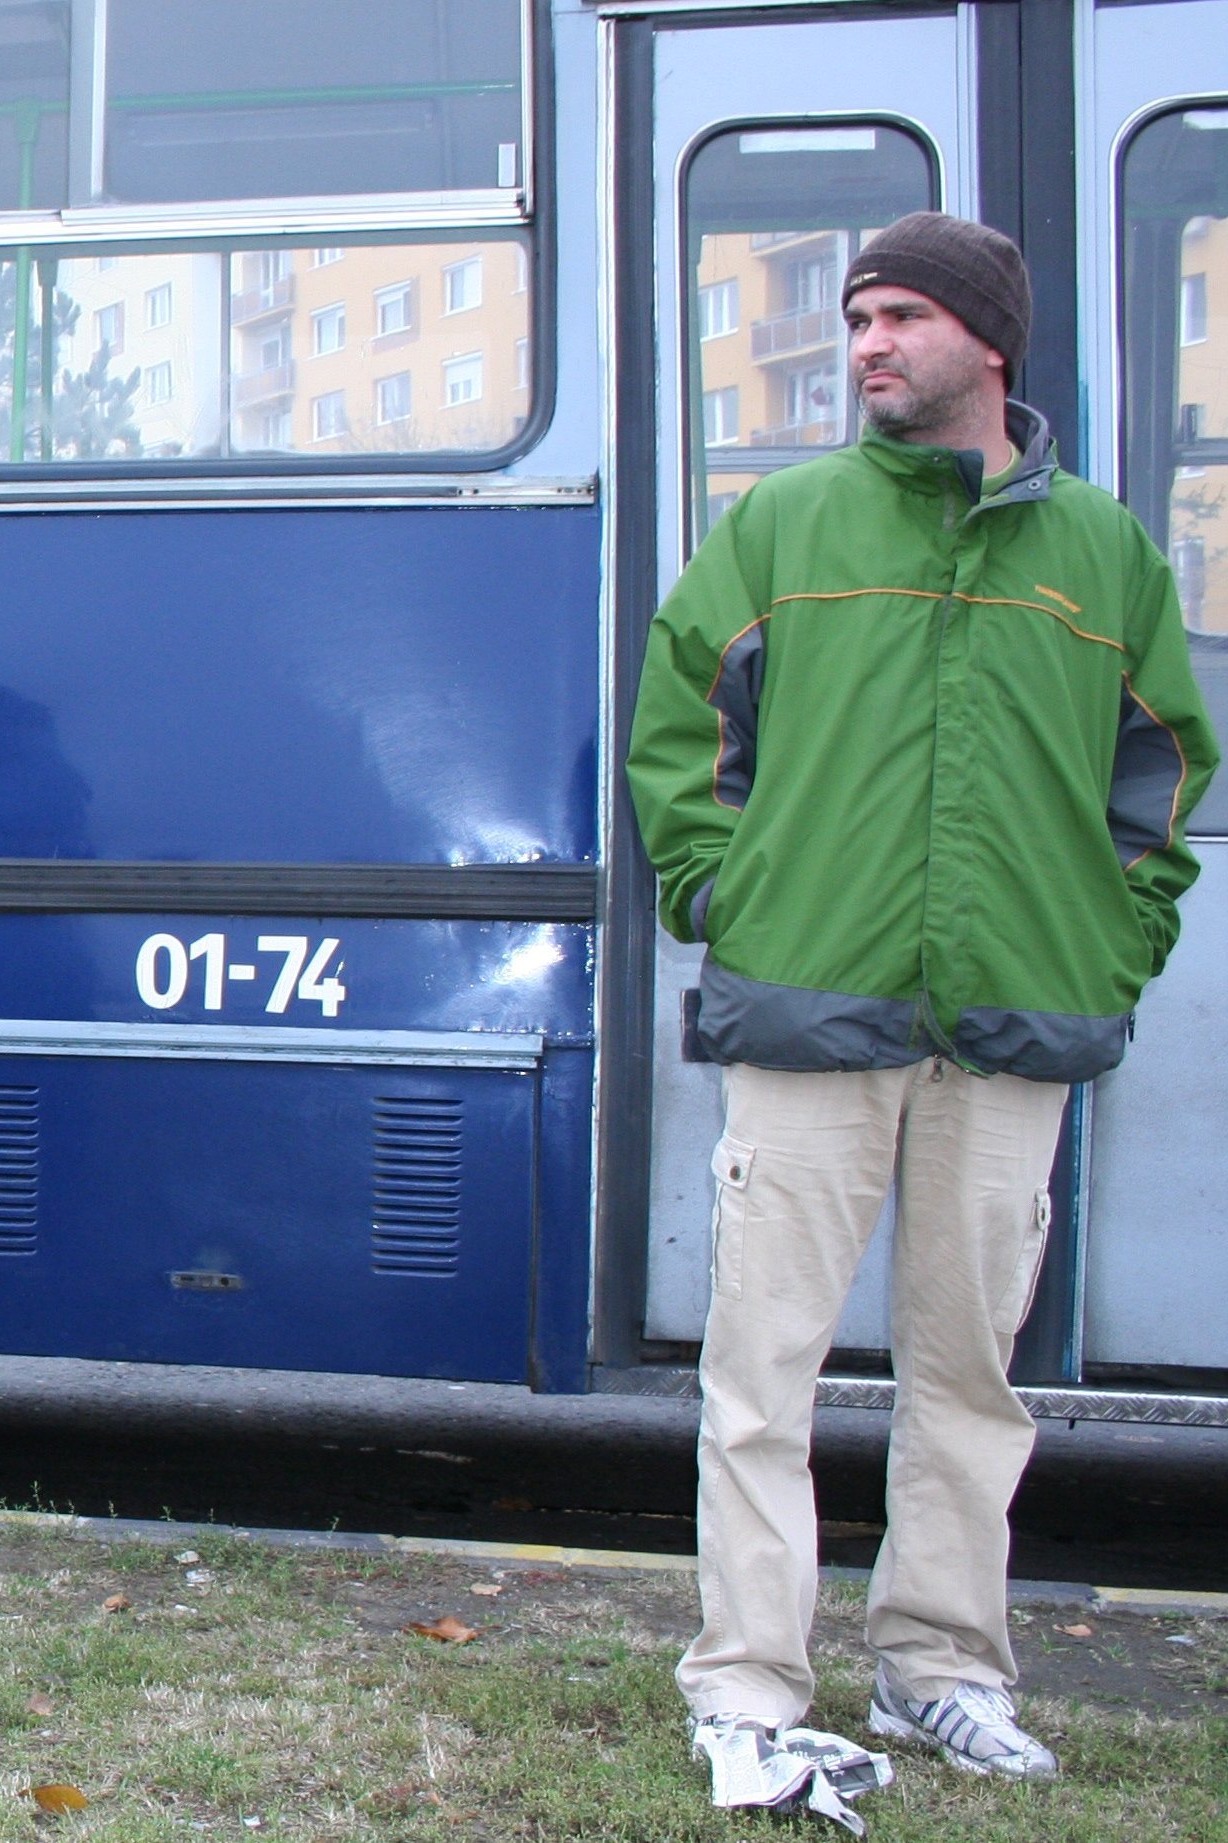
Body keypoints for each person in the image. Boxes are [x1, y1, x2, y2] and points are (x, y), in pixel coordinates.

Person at [628, 212, 1216, 1800]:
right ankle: (747, 1688)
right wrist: (724, 894)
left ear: (989, 342)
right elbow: (682, 724)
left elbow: (1164, 770)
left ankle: (941, 1671)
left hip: (1017, 1020)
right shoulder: (786, 526)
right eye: (856, 318)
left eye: (899, 317)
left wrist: (1112, 941)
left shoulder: (1103, 553)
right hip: (811, 1007)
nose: (868, 344)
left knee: (972, 1382)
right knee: (763, 1377)